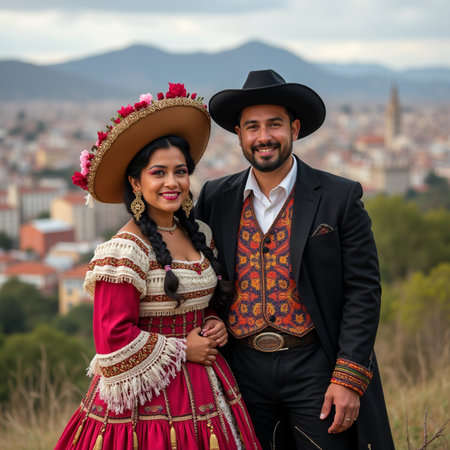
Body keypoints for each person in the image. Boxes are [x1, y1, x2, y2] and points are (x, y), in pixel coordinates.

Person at [195, 69, 395, 449]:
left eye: (275, 124)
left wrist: (348, 378)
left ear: (295, 129)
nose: (263, 136)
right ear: (238, 133)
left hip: (316, 367)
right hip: (241, 368)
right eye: (252, 126)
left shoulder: (339, 197)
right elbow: (201, 273)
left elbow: (364, 290)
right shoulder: (215, 197)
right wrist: (209, 320)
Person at [55, 83, 261, 449]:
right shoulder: (124, 250)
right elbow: (112, 342)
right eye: (158, 173)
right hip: (144, 407)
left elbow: (204, 301)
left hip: (209, 386)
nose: (172, 182)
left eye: (180, 171)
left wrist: (213, 323)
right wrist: (185, 350)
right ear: (135, 182)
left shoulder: (200, 234)